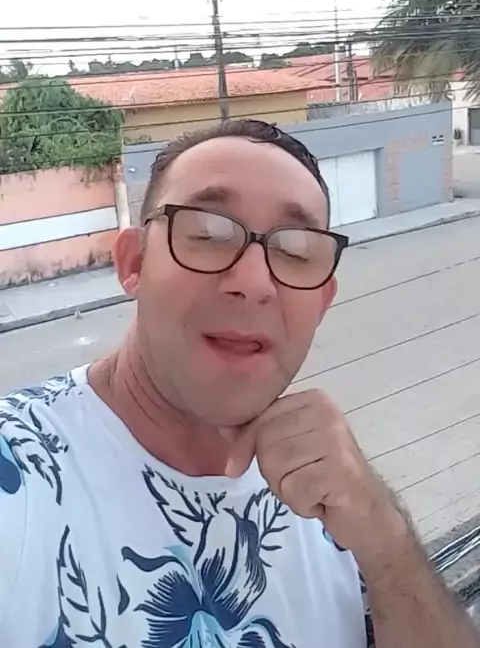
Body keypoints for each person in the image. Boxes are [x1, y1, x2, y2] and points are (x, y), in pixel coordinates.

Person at [0, 118, 477, 648]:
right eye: (207, 235)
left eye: (296, 252)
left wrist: (387, 541)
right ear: (134, 263)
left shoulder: (337, 499)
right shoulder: (19, 473)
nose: (253, 283)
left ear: (321, 302)